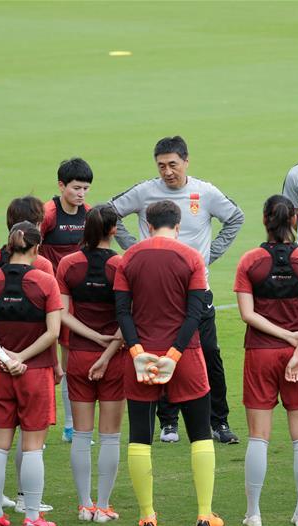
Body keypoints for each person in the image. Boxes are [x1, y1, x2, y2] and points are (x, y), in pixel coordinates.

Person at [109, 136, 244, 444]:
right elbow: (111, 211)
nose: (167, 171)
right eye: (161, 166)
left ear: (186, 161)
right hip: (155, 291)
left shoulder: (205, 192)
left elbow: (235, 217)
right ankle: (168, 422)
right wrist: (136, 247)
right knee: (159, 349)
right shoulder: (145, 191)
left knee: (208, 353)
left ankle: (219, 421)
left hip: (197, 288)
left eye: (172, 164)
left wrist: (210, 254)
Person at [114, 200, 223, 526]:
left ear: (147, 225)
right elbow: (196, 313)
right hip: (185, 357)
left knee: (140, 436)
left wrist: (135, 351)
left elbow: (122, 311)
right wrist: (175, 355)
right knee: (200, 433)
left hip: (142, 357)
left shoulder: (129, 257)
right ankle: (205, 513)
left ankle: (147, 514)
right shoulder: (191, 258)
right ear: (177, 226)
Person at [235, 195, 298, 526]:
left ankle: (254, 513)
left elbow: (248, 314)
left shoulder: (250, 261)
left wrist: (283, 337)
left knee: (259, 436)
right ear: (295, 219)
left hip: (260, 352)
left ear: (264, 219)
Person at [0, 222, 62, 526]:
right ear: (36, 249)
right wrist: (22, 358)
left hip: (0, 373)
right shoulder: (45, 282)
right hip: (35, 373)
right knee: (33, 447)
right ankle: (32, 516)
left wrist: (3, 356)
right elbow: (53, 331)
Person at [56, 205, 124, 523]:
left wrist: (93, 337)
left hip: (80, 355)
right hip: (115, 356)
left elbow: (63, 314)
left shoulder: (68, 264)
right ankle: (104, 505)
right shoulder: (121, 265)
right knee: (110, 435)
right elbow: (130, 316)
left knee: (82, 434)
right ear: (113, 230)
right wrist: (108, 344)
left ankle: (84, 505)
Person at [41, 158, 94, 443]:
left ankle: (71, 425)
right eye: (76, 187)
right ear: (61, 185)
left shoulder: (89, 214)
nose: (81, 193)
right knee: (51, 363)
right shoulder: (48, 214)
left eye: (86, 188)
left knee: (69, 360)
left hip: (77, 298)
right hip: (49, 296)